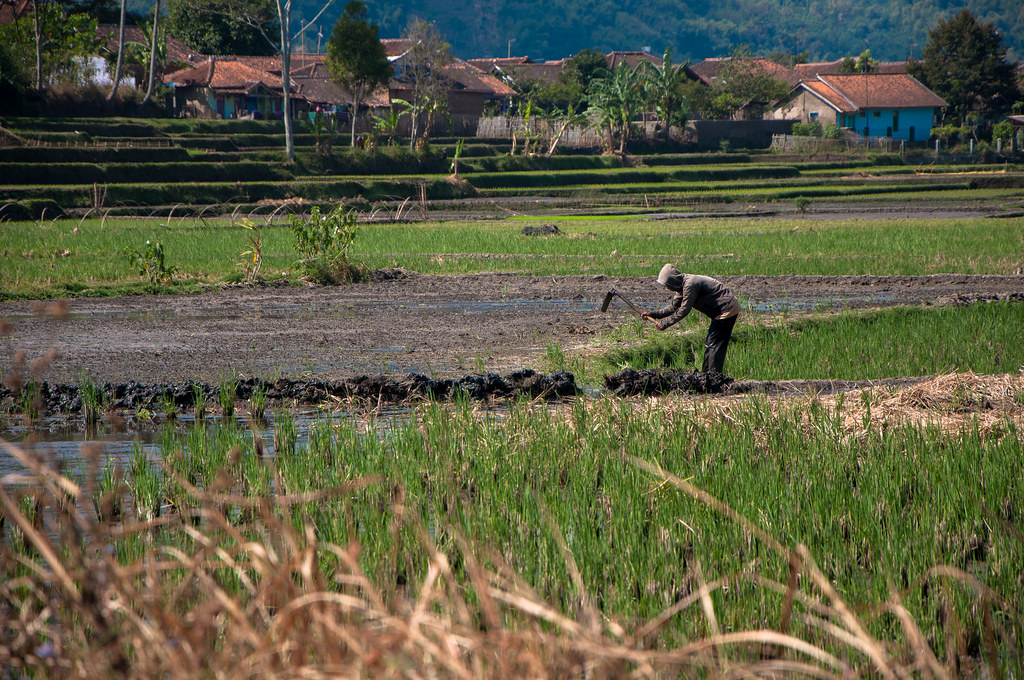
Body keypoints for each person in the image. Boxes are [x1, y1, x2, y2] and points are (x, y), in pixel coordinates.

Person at [641, 264, 741, 374]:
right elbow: (673, 307)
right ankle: (707, 373)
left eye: (667, 285)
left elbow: (684, 309)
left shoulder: (690, 284)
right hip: (719, 311)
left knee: (714, 343)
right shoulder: (682, 287)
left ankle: (714, 375)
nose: (667, 288)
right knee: (709, 342)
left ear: (673, 281)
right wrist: (653, 314)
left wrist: (665, 323)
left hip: (727, 308)